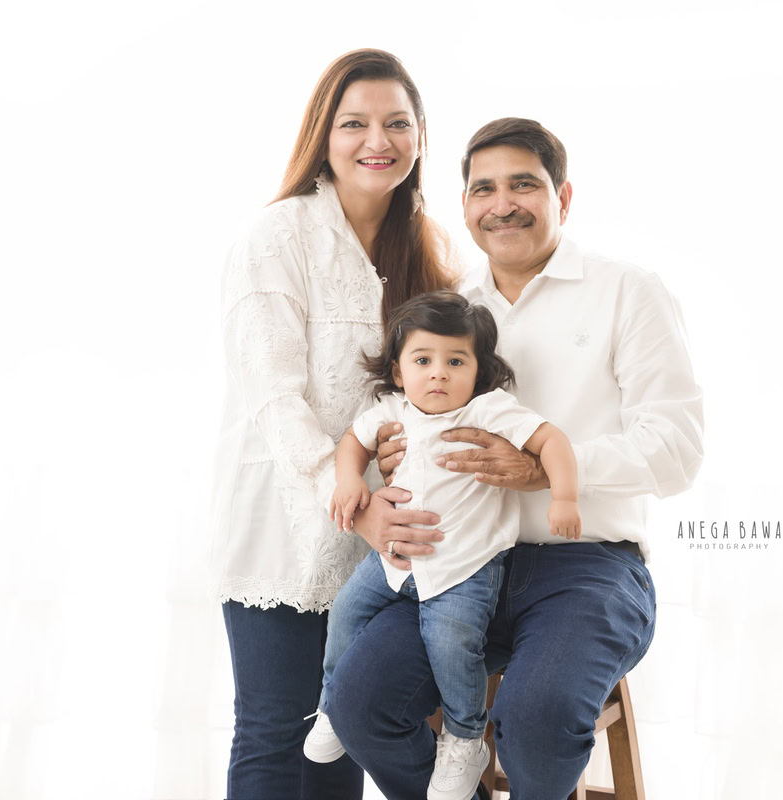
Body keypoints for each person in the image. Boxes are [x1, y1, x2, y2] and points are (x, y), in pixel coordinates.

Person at [326, 118, 705, 799]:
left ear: (563, 197)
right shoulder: (449, 313)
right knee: (357, 704)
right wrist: (387, 466)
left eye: (524, 185)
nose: (503, 204)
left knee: (536, 718)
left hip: (587, 566)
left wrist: (547, 472)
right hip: (457, 560)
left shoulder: (627, 291)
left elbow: (678, 450)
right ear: (465, 205)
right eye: (484, 189)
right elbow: (394, 428)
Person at [209, 49, 453, 800]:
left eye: (397, 123)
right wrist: (352, 501)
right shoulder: (277, 236)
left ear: (420, 137)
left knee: (339, 735)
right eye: (354, 124)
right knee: (274, 730)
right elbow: (274, 399)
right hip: (285, 525)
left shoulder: (430, 246)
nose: (377, 140)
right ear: (323, 135)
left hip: (381, 538)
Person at [302, 291, 580, 800]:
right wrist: (349, 480)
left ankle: (465, 738)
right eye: (422, 360)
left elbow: (552, 441)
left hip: (463, 569)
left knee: (452, 646)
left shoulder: (488, 411)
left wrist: (563, 495)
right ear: (398, 369)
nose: (438, 374)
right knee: (344, 613)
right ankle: (329, 704)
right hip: (392, 561)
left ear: (479, 370)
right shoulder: (392, 410)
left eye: (456, 361)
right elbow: (353, 443)